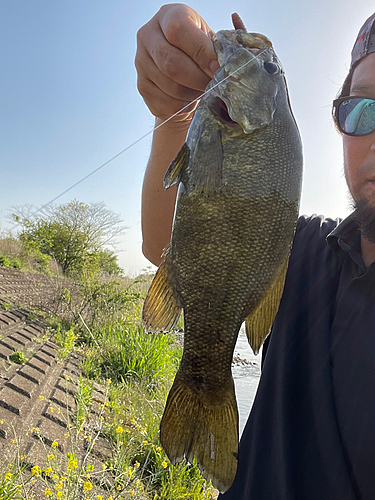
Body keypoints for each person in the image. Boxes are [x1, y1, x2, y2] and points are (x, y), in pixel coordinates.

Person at [135, 5, 375, 499]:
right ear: (340, 125)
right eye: (364, 109)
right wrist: (169, 113)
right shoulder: (308, 251)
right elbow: (160, 244)